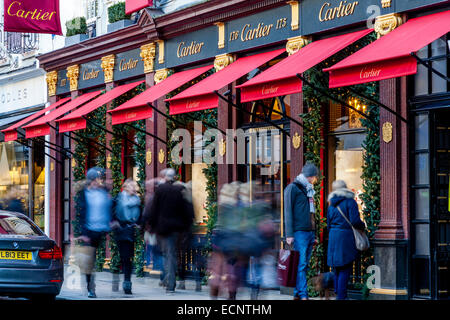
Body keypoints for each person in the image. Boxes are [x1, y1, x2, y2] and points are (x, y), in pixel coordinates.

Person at [144, 168, 195, 294]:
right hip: (177, 229)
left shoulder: (160, 190)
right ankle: (170, 281)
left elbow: (154, 209)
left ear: (165, 177)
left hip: (163, 228)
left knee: (168, 254)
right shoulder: (179, 190)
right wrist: (187, 226)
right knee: (171, 254)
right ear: (174, 178)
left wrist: (150, 226)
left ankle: (170, 283)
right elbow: (186, 210)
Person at [284, 163, 319, 300]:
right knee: (301, 264)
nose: (316, 179)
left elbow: (312, 214)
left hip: (309, 232)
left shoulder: (308, 189)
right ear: (311, 176)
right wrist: (289, 234)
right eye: (315, 176)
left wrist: (314, 233)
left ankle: (297, 294)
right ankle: (304, 295)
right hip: (299, 233)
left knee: (303, 265)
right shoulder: (293, 188)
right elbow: (287, 211)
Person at [76, 167, 113, 298]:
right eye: (98, 178)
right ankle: (91, 287)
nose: (100, 181)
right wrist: (81, 233)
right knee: (90, 261)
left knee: (96, 260)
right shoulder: (83, 194)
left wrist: (110, 223)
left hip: (101, 231)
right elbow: (79, 215)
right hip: (89, 232)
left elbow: (110, 209)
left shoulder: (104, 193)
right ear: (92, 180)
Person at [327, 180, 366, 300]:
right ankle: (342, 297)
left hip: (334, 237)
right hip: (346, 238)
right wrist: (363, 226)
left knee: (337, 269)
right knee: (345, 268)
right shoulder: (350, 202)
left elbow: (328, 224)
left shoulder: (331, 205)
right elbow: (354, 221)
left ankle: (339, 294)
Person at [111, 179, 142, 295]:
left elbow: (141, 214)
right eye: (132, 186)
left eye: (135, 186)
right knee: (123, 257)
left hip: (131, 230)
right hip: (121, 230)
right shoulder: (119, 198)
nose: (134, 188)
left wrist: (139, 223)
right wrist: (114, 222)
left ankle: (127, 283)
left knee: (128, 258)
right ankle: (120, 281)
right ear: (126, 187)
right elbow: (111, 211)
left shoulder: (137, 200)